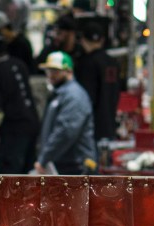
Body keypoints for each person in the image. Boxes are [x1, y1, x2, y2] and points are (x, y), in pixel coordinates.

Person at [0, 33, 39, 175]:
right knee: (26, 171)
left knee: (9, 174)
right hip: (32, 123)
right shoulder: (19, 64)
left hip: (14, 129)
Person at [35, 51, 95, 175]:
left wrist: (44, 159)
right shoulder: (60, 93)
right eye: (48, 71)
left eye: (55, 71)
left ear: (69, 71)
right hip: (62, 164)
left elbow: (65, 131)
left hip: (75, 167)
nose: (50, 75)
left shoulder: (74, 96)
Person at [72, 16, 120, 147]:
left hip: (92, 127)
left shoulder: (87, 63)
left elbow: (87, 97)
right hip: (110, 123)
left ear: (83, 40)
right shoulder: (112, 62)